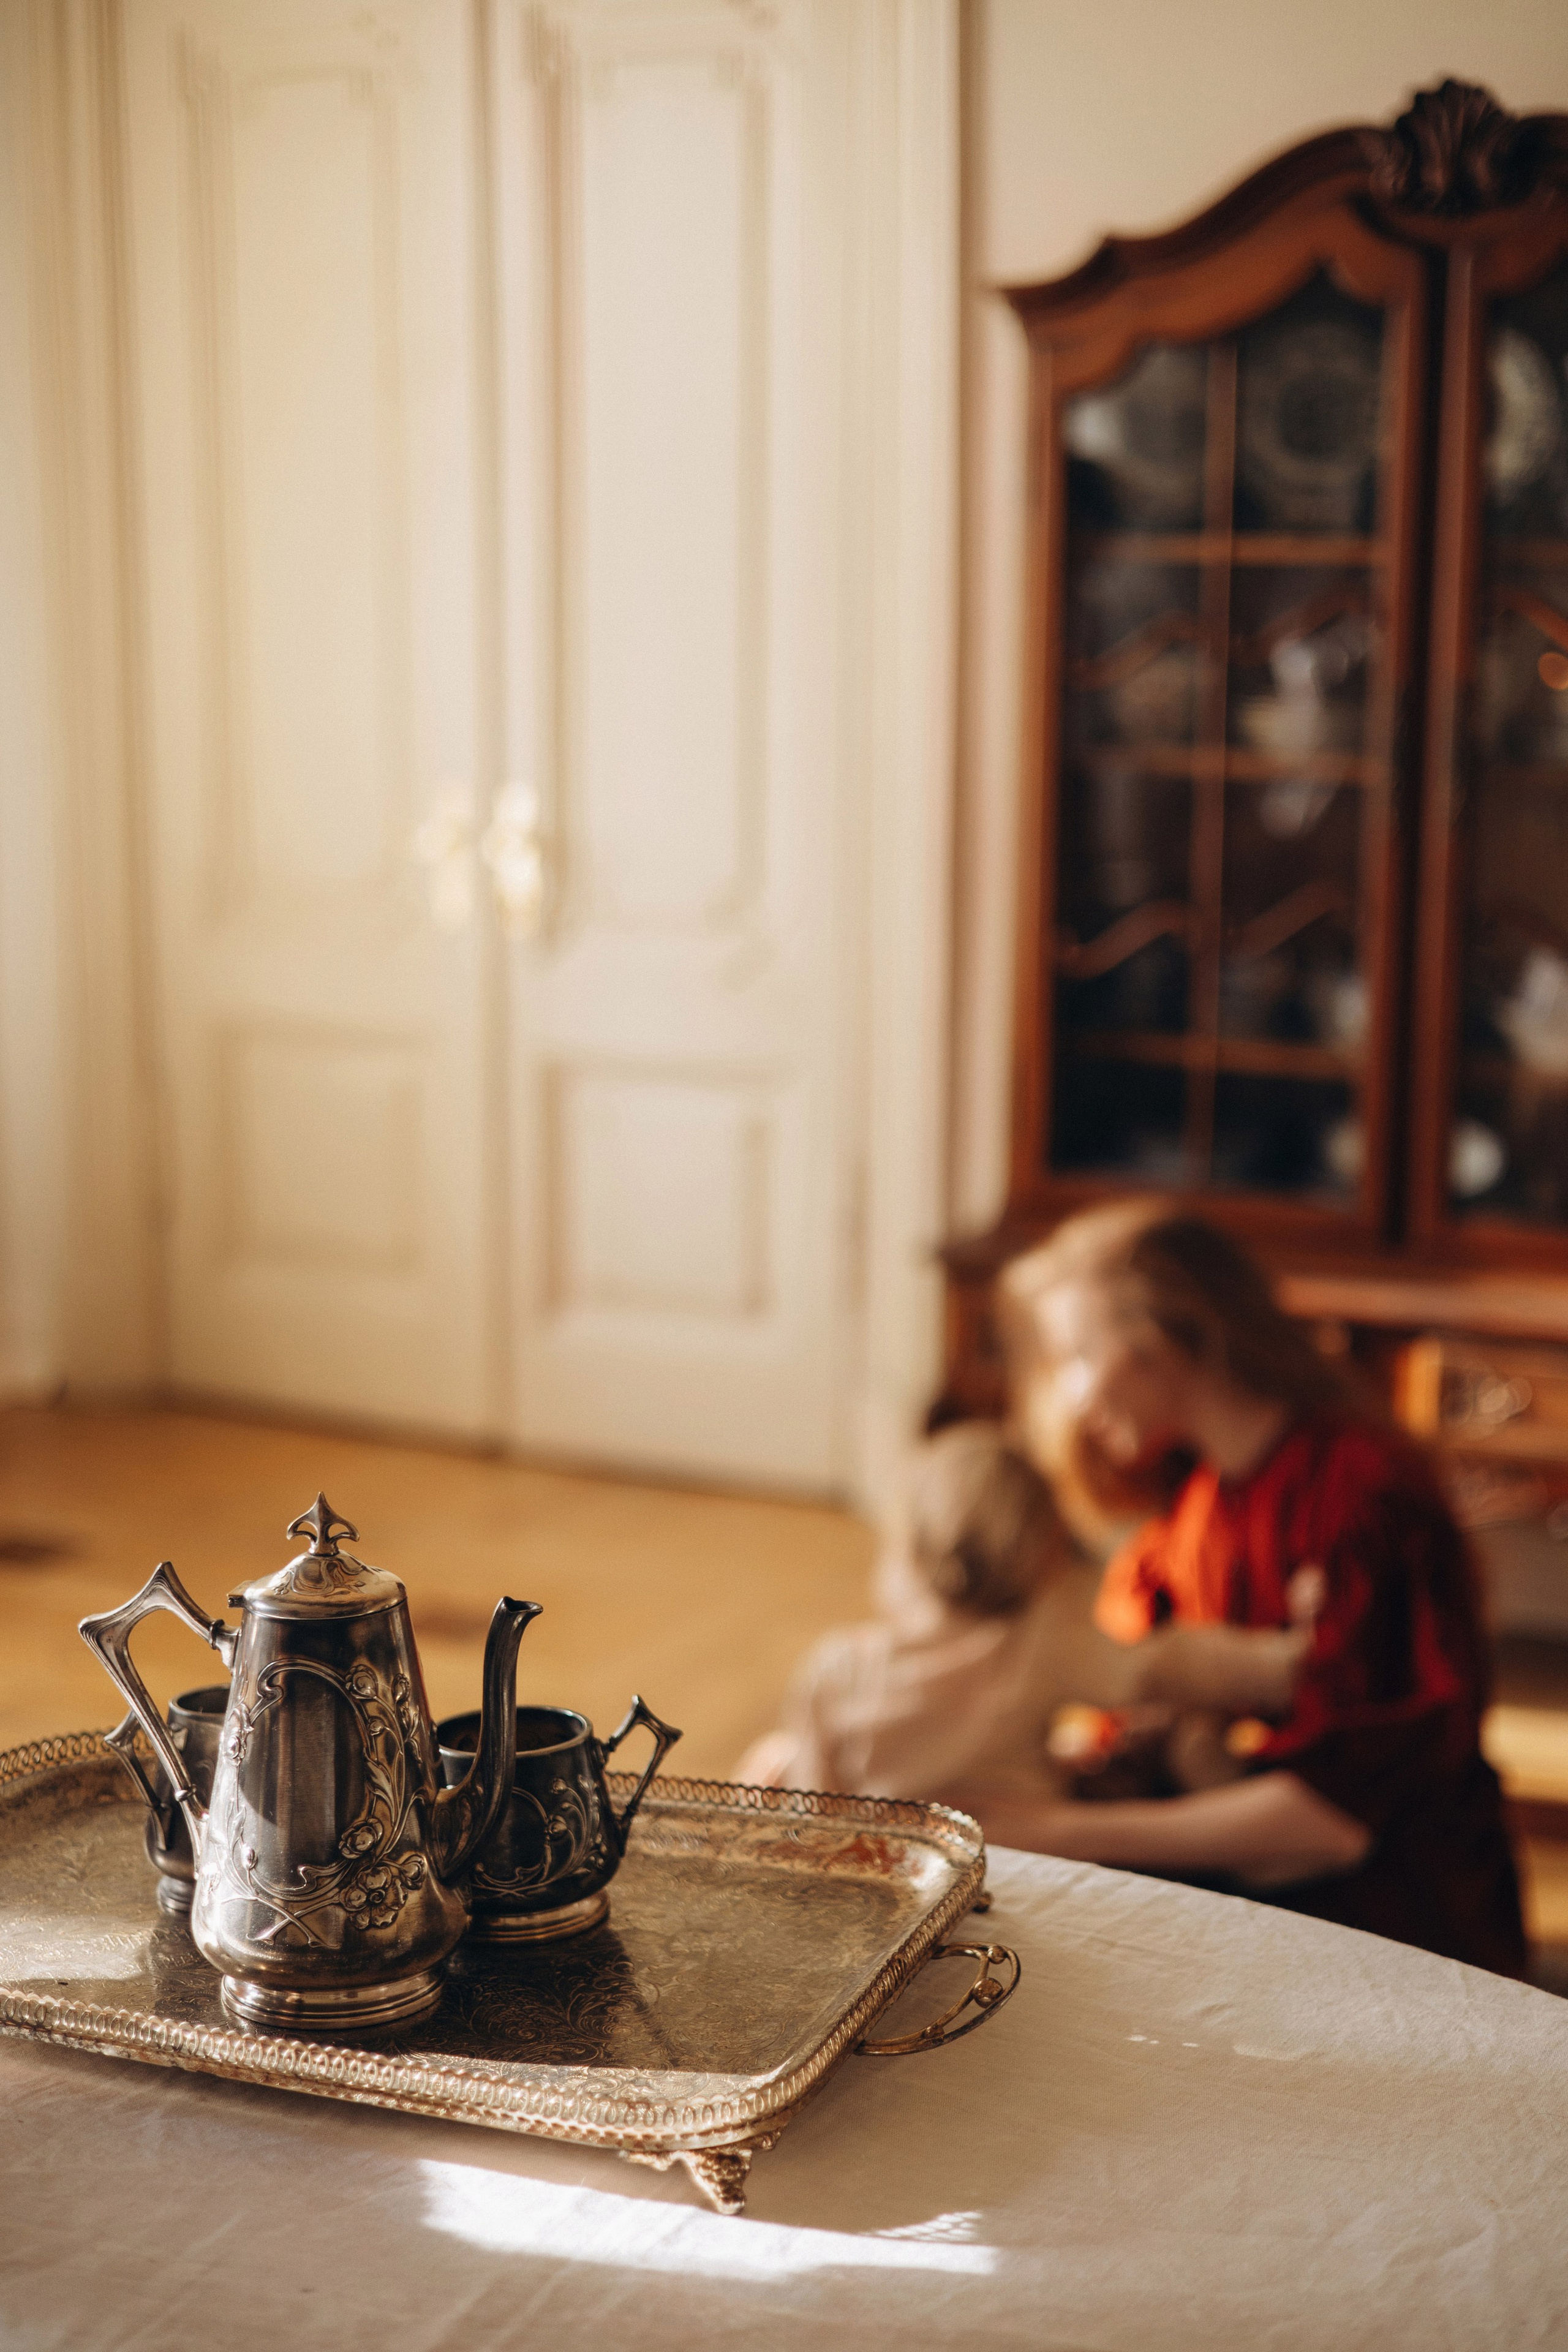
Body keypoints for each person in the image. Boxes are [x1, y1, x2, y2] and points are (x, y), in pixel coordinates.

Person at [996, 1199, 1526, 1976]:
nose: (1073, 1396)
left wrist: (1056, 1833)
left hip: (1392, 1923)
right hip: (1256, 1879)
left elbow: (1332, 1820)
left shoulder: (1362, 1495)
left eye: (1081, 1352)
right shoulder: (1198, 1502)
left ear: (1173, 1336)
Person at [735, 1419, 1310, 1819]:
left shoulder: (835, 1670)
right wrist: (1283, 1664)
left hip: (899, 1871)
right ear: (1043, 1566)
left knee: (770, 1759)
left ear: (905, 1557)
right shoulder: (1042, 1646)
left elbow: (814, 1816)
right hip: (1024, 1865)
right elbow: (1158, 1667)